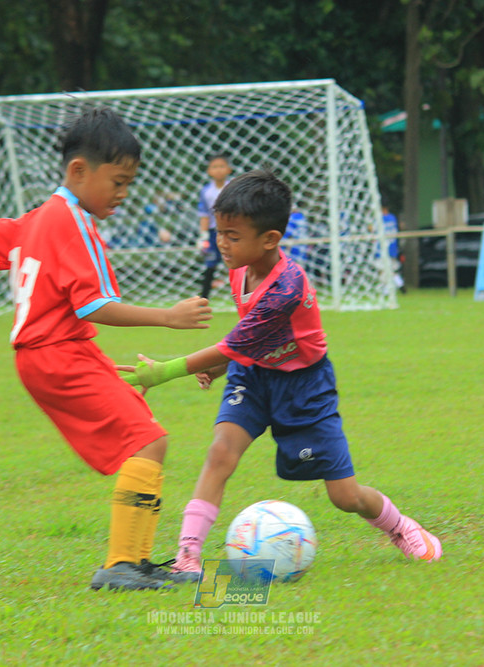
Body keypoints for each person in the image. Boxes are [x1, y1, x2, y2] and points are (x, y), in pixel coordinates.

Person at [0, 106, 213, 591]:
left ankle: (138, 562)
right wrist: (168, 317)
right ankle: (123, 565)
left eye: (130, 184)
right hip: (57, 354)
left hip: (52, 355)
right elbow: (95, 306)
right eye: (119, 181)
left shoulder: (36, 220)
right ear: (78, 171)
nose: (124, 194)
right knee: (147, 440)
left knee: (148, 435)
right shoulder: (74, 224)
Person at [118, 169, 442, 579]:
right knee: (220, 453)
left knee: (344, 495)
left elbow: (237, 342)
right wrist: (221, 368)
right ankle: (187, 556)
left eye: (232, 236)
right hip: (253, 378)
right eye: (220, 232)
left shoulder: (286, 287)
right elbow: (245, 340)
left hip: (304, 387)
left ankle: (401, 527)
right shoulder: (239, 269)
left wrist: (162, 372)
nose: (222, 243)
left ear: (270, 239)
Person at [196, 153, 233, 299]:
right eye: (214, 167)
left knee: (237, 263)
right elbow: (204, 213)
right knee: (210, 264)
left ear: (229, 169)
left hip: (232, 231)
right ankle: (203, 299)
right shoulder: (206, 191)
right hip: (213, 232)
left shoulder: (233, 187)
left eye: (222, 166)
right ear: (209, 171)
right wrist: (203, 235)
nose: (218, 170)